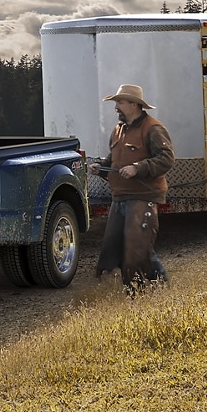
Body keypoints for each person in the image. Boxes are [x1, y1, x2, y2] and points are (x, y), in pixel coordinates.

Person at [88, 84, 175, 290]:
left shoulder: (153, 128)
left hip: (143, 196)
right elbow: (114, 161)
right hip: (120, 197)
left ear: (134, 104)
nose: (116, 106)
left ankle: (152, 289)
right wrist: (100, 168)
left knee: (137, 248)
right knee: (114, 247)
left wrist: (138, 168)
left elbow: (167, 159)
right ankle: (145, 287)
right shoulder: (118, 130)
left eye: (120, 102)